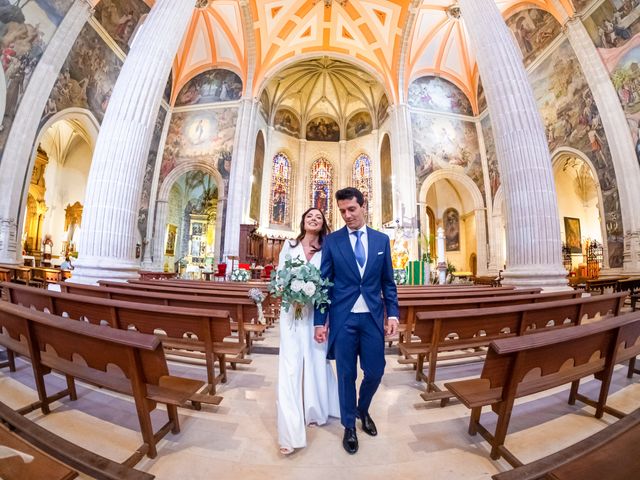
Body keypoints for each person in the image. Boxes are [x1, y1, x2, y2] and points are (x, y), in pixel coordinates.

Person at [313, 187, 399, 455]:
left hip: (372, 318)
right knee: (346, 375)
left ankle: (363, 409)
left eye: (351, 209)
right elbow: (324, 284)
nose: (347, 215)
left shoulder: (381, 240)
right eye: (342, 211)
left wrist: (393, 313)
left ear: (363, 206)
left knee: (375, 372)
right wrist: (320, 319)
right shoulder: (333, 241)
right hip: (344, 318)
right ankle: (349, 425)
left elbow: (388, 282)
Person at [277, 208, 340, 455]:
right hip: (291, 312)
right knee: (290, 367)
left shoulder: (327, 248)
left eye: (318, 217)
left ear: (323, 223)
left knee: (316, 360)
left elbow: (330, 284)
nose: (313, 219)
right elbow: (281, 277)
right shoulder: (289, 245)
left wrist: (326, 319)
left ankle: (316, 410)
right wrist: (289, 291)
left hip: (316, 314)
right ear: (302, 220)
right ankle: (289, 432)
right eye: (309, 216)